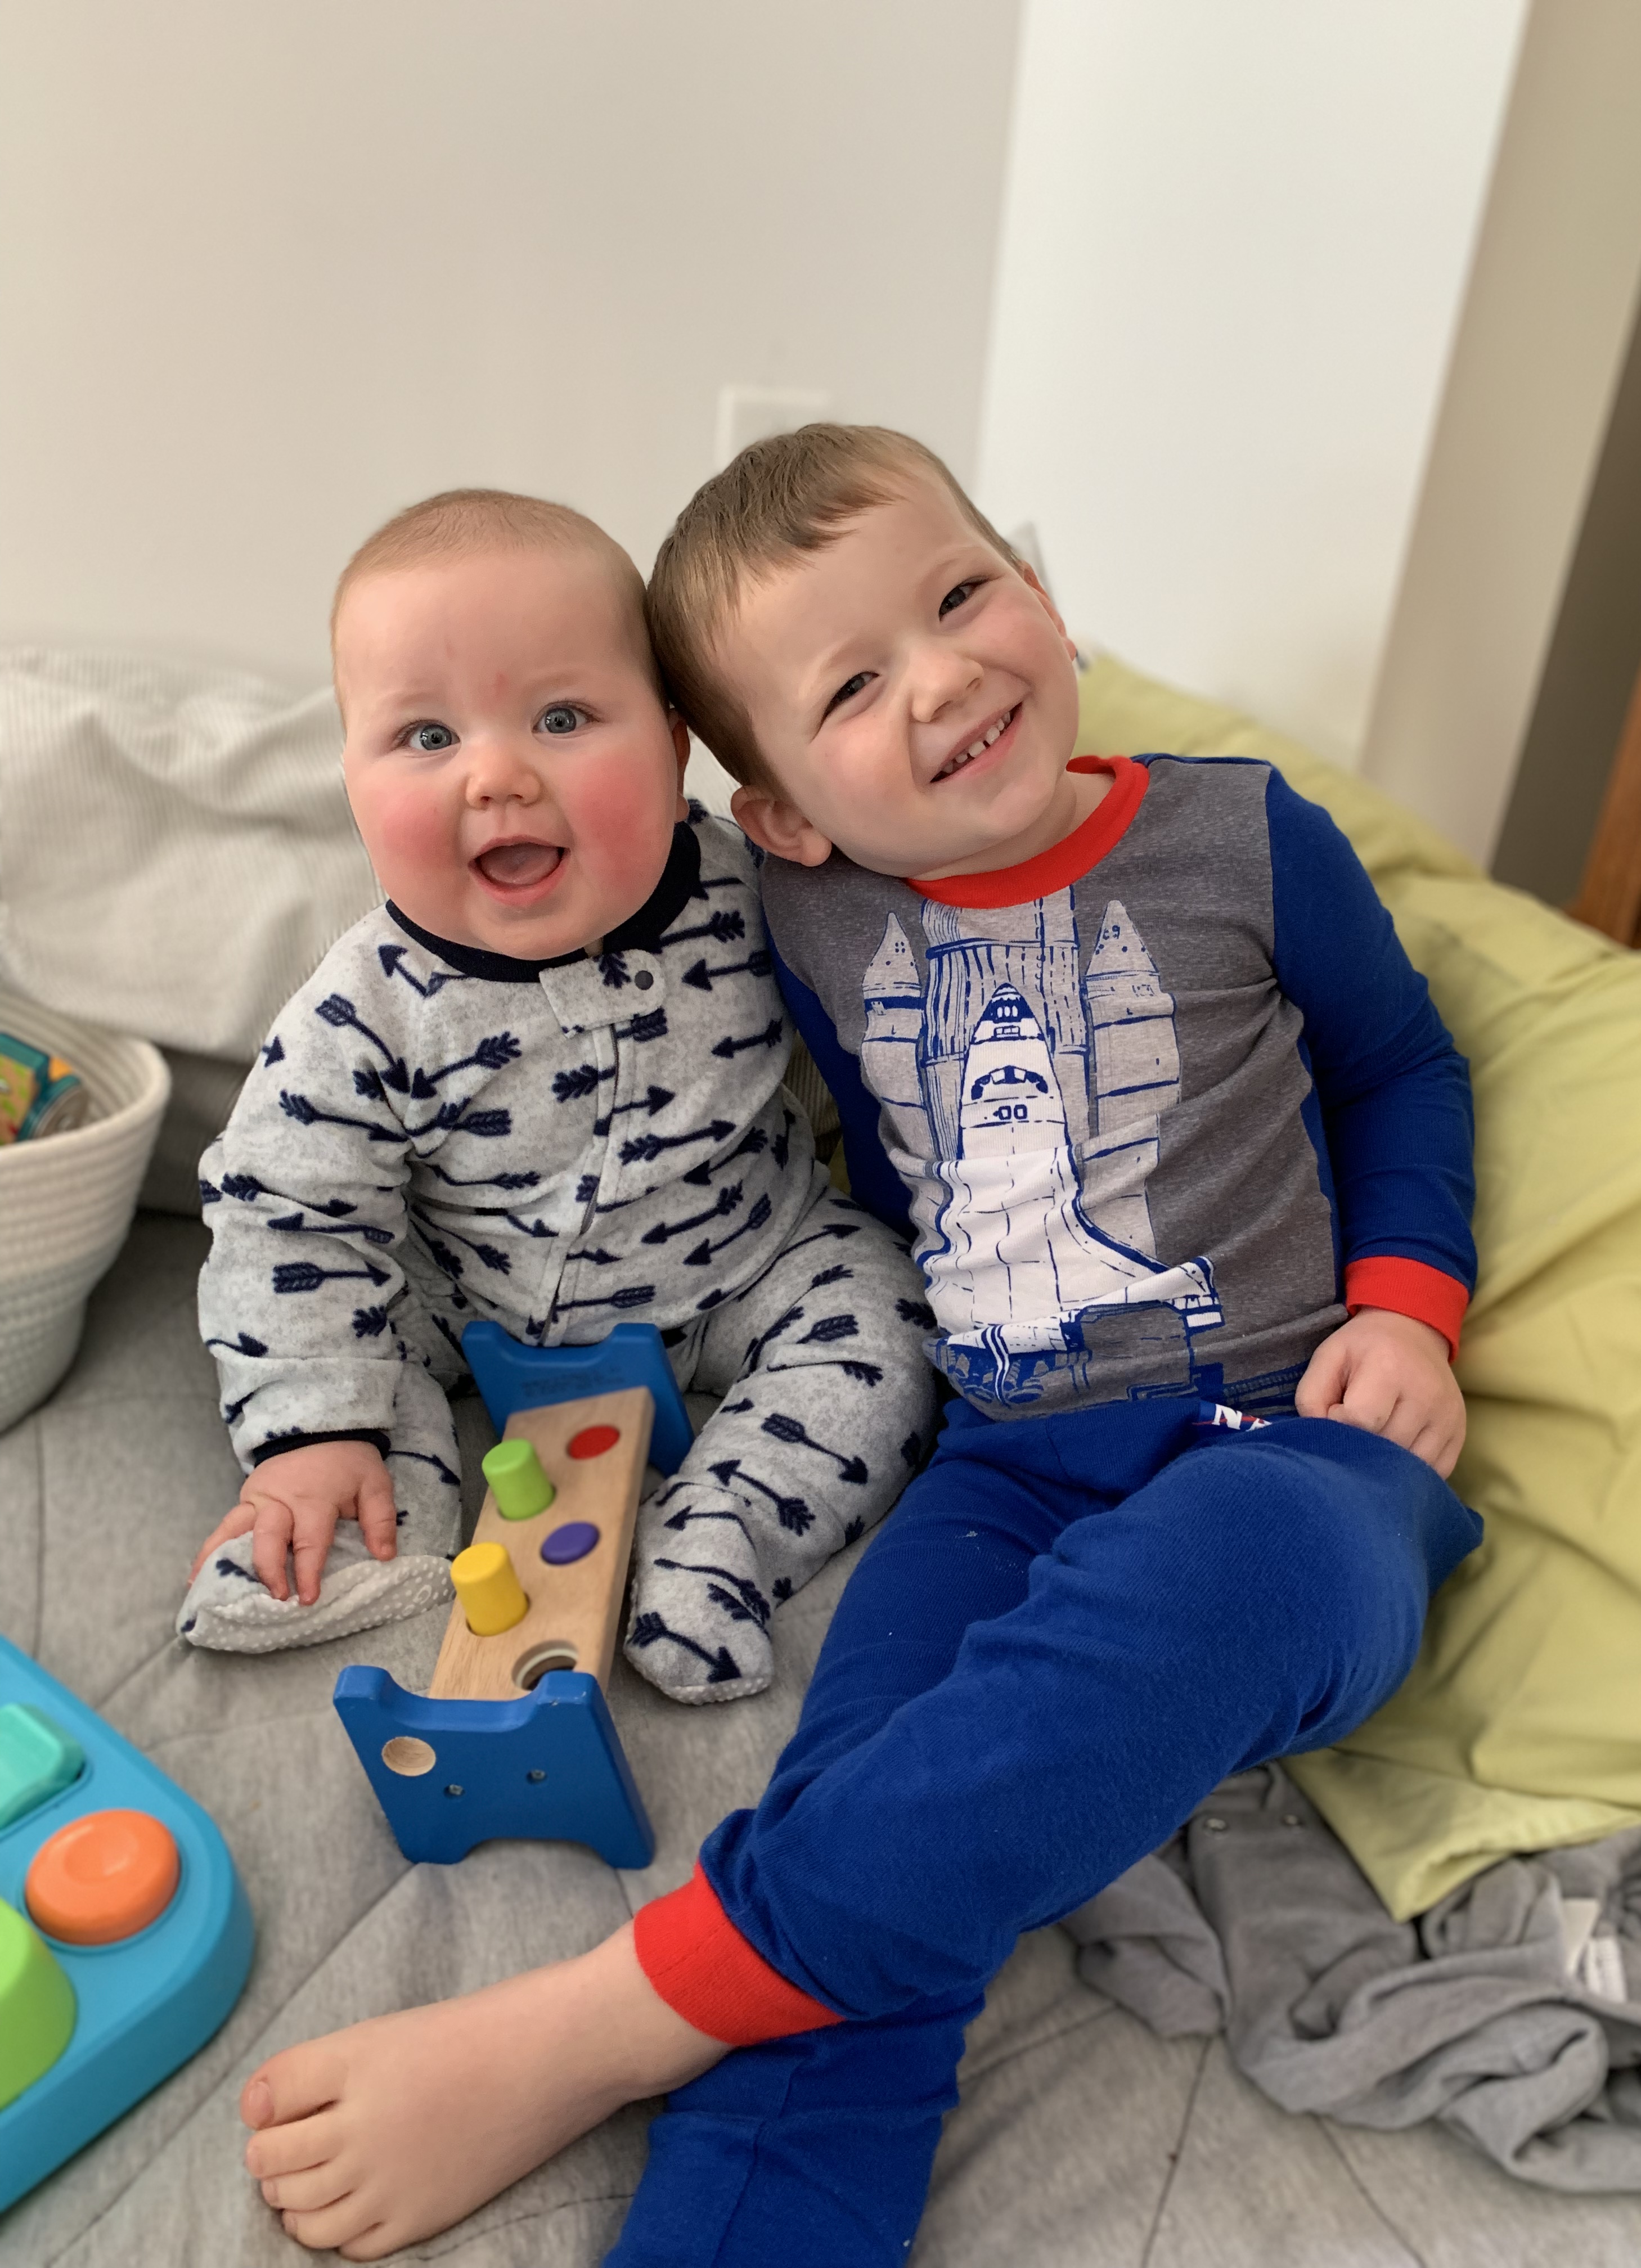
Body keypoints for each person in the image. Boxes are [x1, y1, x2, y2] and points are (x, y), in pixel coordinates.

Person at [237, 434, 1481, 2264]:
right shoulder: (800, 915)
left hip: (1289, 1438)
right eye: (847, 688)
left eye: (964, 593)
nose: (943, 675)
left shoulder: (1246, 837)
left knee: (1237, 1558)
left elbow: (1404, 1065)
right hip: (1003, 1471)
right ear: (783, 814)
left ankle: (610, 2019)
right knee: (878, 1803)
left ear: (1038, 590)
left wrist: (1409, 1306)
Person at [182, 484, 934, 1705]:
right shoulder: (366, 1004)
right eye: (427, 737)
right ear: (352, 783)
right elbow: (284, 1211)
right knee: (345, 1332)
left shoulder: (759, 888)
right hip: (469, 1291)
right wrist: (311, 1430)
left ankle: (723, 1534)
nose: (497, 775)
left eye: (564, 716)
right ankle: (359, 1510)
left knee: (893, 1315)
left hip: (751, 1261)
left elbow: (899, 937)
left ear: (675, 746)